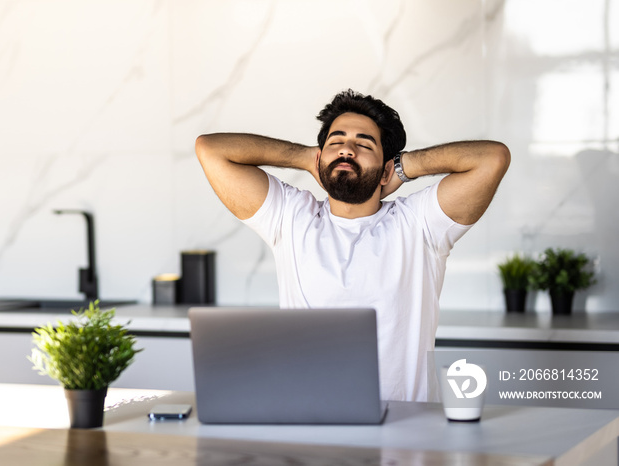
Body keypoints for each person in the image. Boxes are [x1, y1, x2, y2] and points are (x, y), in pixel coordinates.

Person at [195, 89, 510, 402]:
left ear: (386, 169)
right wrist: (304, 157)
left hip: (408, 431)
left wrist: (404, 166)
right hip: (313, 427)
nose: (346, 150)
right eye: (335, 142)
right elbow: (210, 148)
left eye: (363, 144)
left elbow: (491, 158)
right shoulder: (291, 217)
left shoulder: (418, 224)